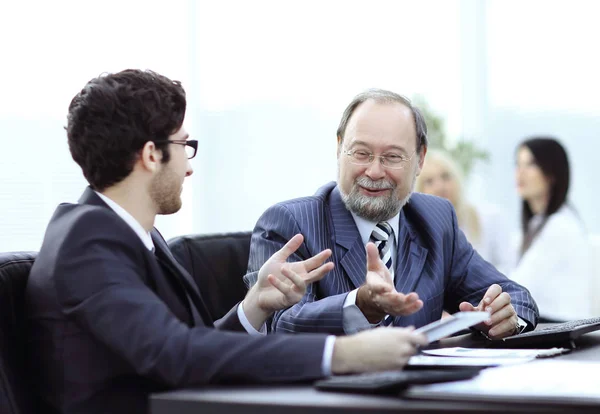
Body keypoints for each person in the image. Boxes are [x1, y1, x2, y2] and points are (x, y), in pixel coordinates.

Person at [25, 71, 427, 414]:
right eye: (184, 146)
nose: (190, 165)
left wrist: (255, 306)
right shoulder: (87, 241)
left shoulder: (128, 233)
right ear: (151, 155)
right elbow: (174, 355)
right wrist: (342, 355)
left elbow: (189, 349)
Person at [245, 89, 538, 338]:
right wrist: (358, 305)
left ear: (420, 159)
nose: (374, 171)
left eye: (392, 157)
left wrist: (505, 318)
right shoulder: (290, 223)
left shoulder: (435, 219)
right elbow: (281, 327)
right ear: (339, 148)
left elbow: (518, 298)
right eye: (361, 153)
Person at [511, 137, 593, 322]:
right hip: (545, 322)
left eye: (531, 164)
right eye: (518, 164)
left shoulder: (560, 226)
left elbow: (518, 286)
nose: (520, 173)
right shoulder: (537, 224)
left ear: (551, 174)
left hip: (560, 325)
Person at [416, 149, 512, 274]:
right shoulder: (416, 235)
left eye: (445, 177)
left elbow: (509, 268)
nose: (440, 187)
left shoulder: (490, 218)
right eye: (429, 181)